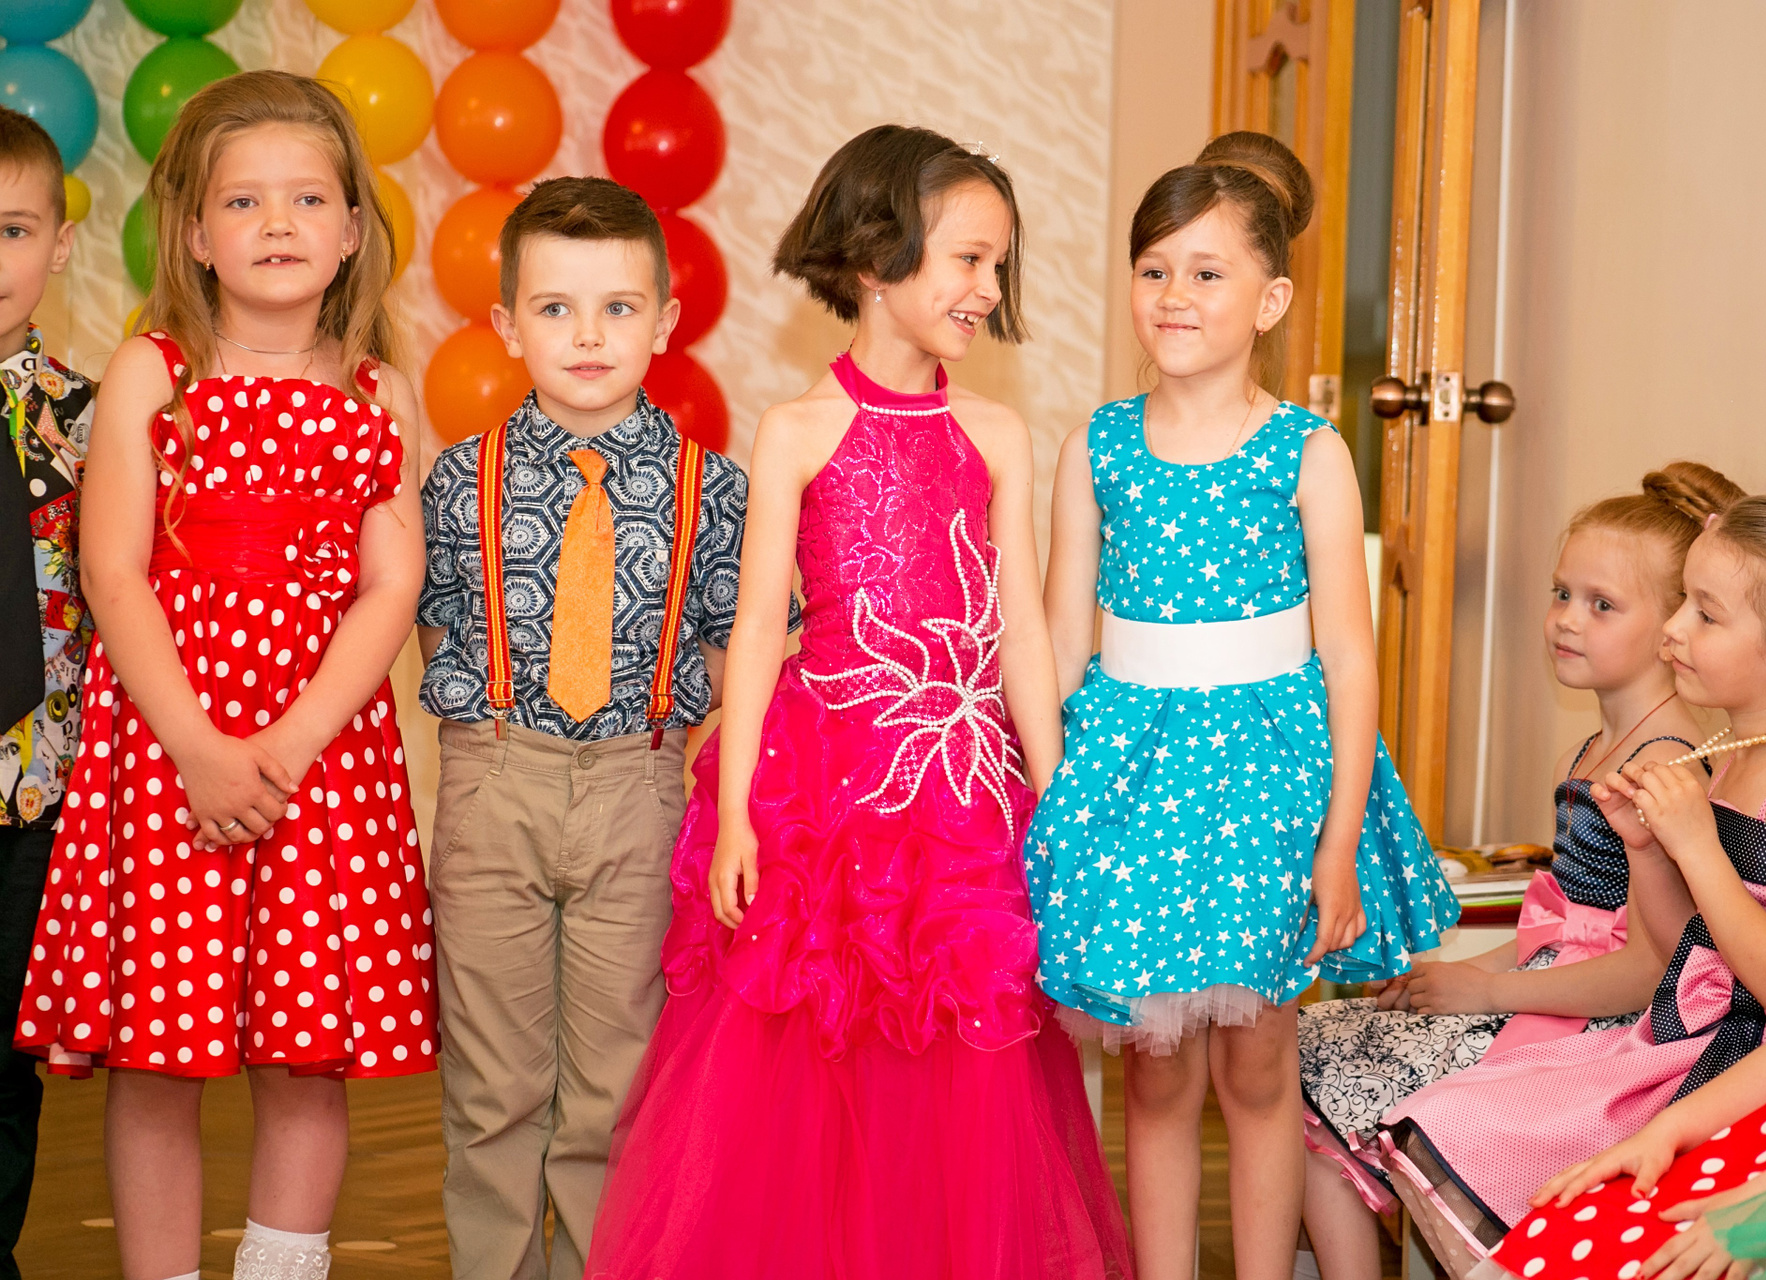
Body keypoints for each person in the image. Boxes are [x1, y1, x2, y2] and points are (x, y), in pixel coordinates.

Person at [583, 125, 1131, 1280]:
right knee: (810, 1061)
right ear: (879, 257)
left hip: (965, 801)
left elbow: (1022, 631)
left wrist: (1056, 797)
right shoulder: (796, 430)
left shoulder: (996, 433)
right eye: (969, 259)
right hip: (820, 796)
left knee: (963, 1066)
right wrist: (738, 809)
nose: (989, 288)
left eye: (999, 265)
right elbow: (754, 633)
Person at [11, 71, 435, 1280]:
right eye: (243, 202)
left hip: (322, 761)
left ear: (352, 228)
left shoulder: (378, 392)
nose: (278, 223)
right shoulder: (155, 372)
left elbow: (391, 583)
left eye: (308, 198)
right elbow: (113, 572)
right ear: (195, 234)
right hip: (169, 750)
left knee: (307, 1051)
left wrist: (291, 744)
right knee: (158, 1053)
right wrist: (199, 746)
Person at [1027, 129, 1457, 1280]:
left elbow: (1351, 659)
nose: (1174, 293)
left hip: (1268, 775)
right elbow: (1061, 641)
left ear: (1269, 300)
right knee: (1155, 1068)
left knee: (1258, 1063)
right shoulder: (1096, 445)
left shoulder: (1307, 453)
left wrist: (1338, 843)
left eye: (1206, 272)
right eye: (1154, 267)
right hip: (1130, 778)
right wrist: (1054, 802)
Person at [415, 175, 769, 1280]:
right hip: (495, 782)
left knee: (615, 1087)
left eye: (618, 308)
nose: (587, 335)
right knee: (493, 1086)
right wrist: (489, 744)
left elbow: (741, 650)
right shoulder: (455, 479)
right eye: (555, 308)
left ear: (665, 322)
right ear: (506, 324)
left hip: (638, 787)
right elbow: (434, 630)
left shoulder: (716, 489)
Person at [1383, 497, 1766, 1276]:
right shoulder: (1728, 749)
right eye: (1680, 605)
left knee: (1481, 1133)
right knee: (1439, 1123)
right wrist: (1647, 850)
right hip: (1672, 1026)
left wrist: (1695, 845)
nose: (1673, 630)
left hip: (1733, 1054)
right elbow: (1679, 947)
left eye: (1704, 614)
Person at [1296, 464, 1738, 1280]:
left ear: (1674, 626)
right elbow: (1559, 921)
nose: (1566, 619)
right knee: (1305, 1049)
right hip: (1552, 992)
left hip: (1607, 1031)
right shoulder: (1594, 749)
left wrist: (1487, 991)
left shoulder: (1666, 764)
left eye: (1602, 605)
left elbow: (1653, 971)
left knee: (1324, 1061)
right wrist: (1455, 976)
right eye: (1562, 593)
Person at [0, 105, 92, 1280]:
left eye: (13, 229)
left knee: (3, 1059)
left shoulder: (94, 419)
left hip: (34, 797)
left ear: (61, 245)